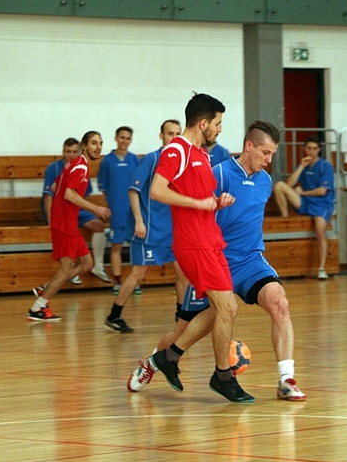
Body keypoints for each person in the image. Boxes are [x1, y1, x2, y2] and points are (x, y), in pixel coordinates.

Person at [128, 121, 307, 401]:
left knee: (280, 304)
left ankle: (286, 379)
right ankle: (152, 363)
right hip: (215, 257)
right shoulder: (220, 173)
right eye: (266, 153)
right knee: (184, 330)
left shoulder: (265, 181)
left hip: (250, 260)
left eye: (273, 154)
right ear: (249, 146)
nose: (269, 160)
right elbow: (194, 216)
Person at [131, 93, 252, 403]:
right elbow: (157, 191)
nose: (220, 129)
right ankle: (222, 376)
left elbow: (200, 199)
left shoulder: (203, 155)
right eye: (218, 123)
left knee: (218, 310)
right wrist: (198, 203)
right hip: (193, 244)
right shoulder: (177, 151)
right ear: (203, 123)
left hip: (211, 240)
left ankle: (169, 357)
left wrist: (215, 203)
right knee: (228, 307)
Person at [103, 120, 184, 333]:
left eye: (177, 134)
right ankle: (114, 315)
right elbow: (133, 190)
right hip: (148, 229)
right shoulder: (152, 159)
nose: (173, 138)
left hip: (171, 229)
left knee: (182, 272)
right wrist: (138, 220)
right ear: (161, 136)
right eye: (169, 133)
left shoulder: (181, 161)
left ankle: (181, 315)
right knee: (138, 274)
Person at [27, 131, 111, 321]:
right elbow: (69, 195)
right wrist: (96, 209)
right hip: (64, 223)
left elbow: (57, 188)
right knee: (66, 268)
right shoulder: (80, 167)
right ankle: (37, 307)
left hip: (68, 222)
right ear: (84, 145)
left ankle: (47, 288)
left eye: (101, 143)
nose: (98, 147)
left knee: (87, 263)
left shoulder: (72, 165)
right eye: (94, 143)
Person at [40, 138, 109, 285]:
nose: (71, 155)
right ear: (63, 152)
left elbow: (82, 194)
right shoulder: (59, 167)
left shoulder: (80, 167)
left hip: (74, 210)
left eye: (74, 152)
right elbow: (50, 194)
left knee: (99, 226)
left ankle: (99, 265)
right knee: (66, 265)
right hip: (62, 214)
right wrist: (52, 219)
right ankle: (46, 292)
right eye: (68, 151)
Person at [272, 135, 335, 280]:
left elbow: (322, 191)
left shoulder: (325, 166)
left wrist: (304, 192)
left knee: (320, 230)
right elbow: (289, 184)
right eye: (309, 148)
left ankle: (321, 268)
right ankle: (285, 217)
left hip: (321, 204)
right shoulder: (303, 165)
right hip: (305, 202)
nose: (311, 151)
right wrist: (301, 166)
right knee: (279, 186)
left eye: (314, 149)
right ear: (304, 149)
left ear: (319, 150)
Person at [98, 126, 140, 294]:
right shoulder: (107, 161)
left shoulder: (136, 160)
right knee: (116, 246)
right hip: (117, 212)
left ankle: (134, 282)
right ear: (116, 138)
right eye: (122, 137)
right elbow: (104, 188)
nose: (124, 141)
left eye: (128, 138)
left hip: (133, 213)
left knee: (135, 247)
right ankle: (117, 281)